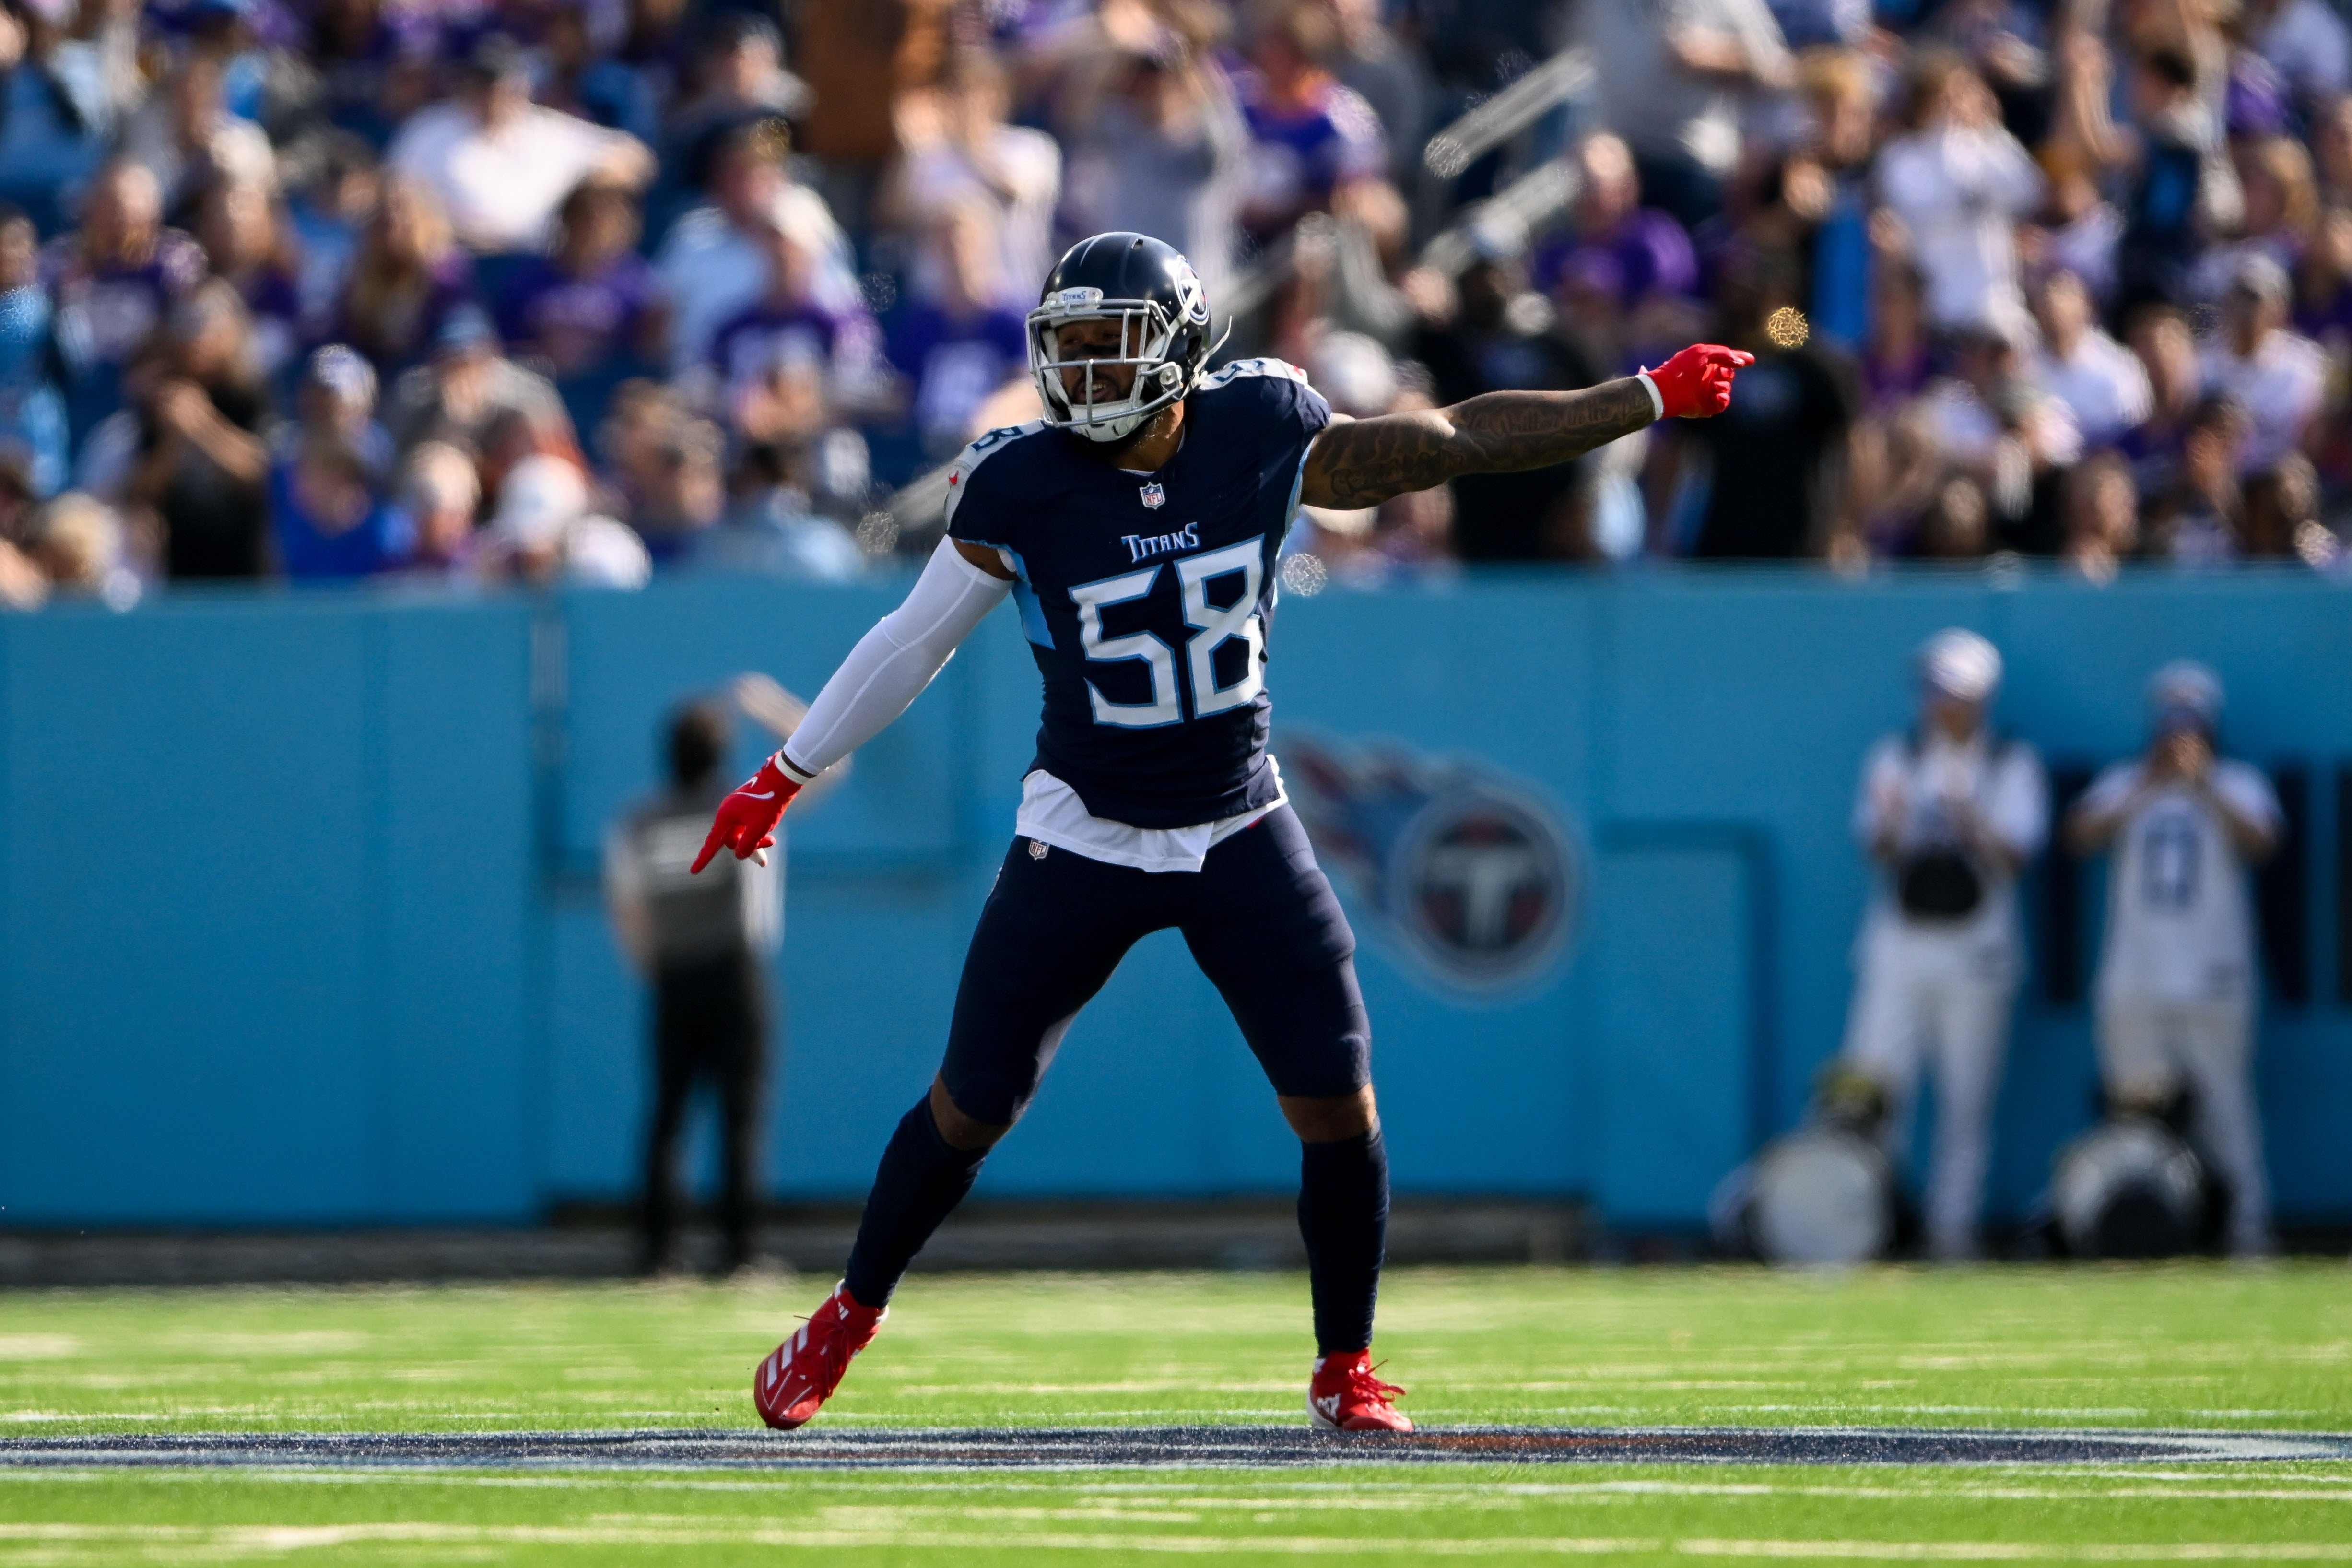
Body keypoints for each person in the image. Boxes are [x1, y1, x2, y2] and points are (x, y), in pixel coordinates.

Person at [689, 230, 1751, 1433]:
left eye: (1110, 346)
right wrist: (786, 772)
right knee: (972, 1099)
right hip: (1083, 828)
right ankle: (849, 1312)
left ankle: (1342, 1368)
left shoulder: (1260, 432)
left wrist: (1641, 397)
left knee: (1337, 1101)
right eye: (1069, 349)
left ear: (1181, 350)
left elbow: (1450, 439)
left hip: (1237, 820)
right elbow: (912, 640)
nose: (1084, 375)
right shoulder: (1019, 482)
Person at [605, 680, 846, 1276]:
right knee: (741, 1117)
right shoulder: (747, 802)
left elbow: (627, 909)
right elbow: (832, 762)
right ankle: (739, 1254)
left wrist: (654, 968)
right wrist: (766, 705)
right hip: (735, 975)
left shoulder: (638, 821)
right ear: (720, 754)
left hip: (674, 976)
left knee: (668, 1115)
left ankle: (658, 1256)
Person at [1838, 629, 2048, 1261]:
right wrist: (1899, 819)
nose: (1938, 703)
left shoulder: (2011, 762)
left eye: (1952, 691)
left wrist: (1969, 818)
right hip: (1900, 947)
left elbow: (2017, 854)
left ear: (1979, 697)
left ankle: (1951, 1232)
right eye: (1931, 689)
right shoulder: (1896, 756)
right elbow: (1873, 846)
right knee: (1875, 1092)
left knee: (1966, 1102)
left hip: (1978, 953)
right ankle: (1870, 1225)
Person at [2064, 662, 2282, 1256]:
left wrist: (2201, 782)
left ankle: (2246, 1229)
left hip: (2213, 972)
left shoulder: (2236, 781)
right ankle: (2138, 1230)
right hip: (2134, 973)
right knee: (2132, 1113)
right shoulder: (2125, 780)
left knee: (2225, 1106)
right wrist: (2150, 784)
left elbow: (2263, 841)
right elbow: (2079, 834)